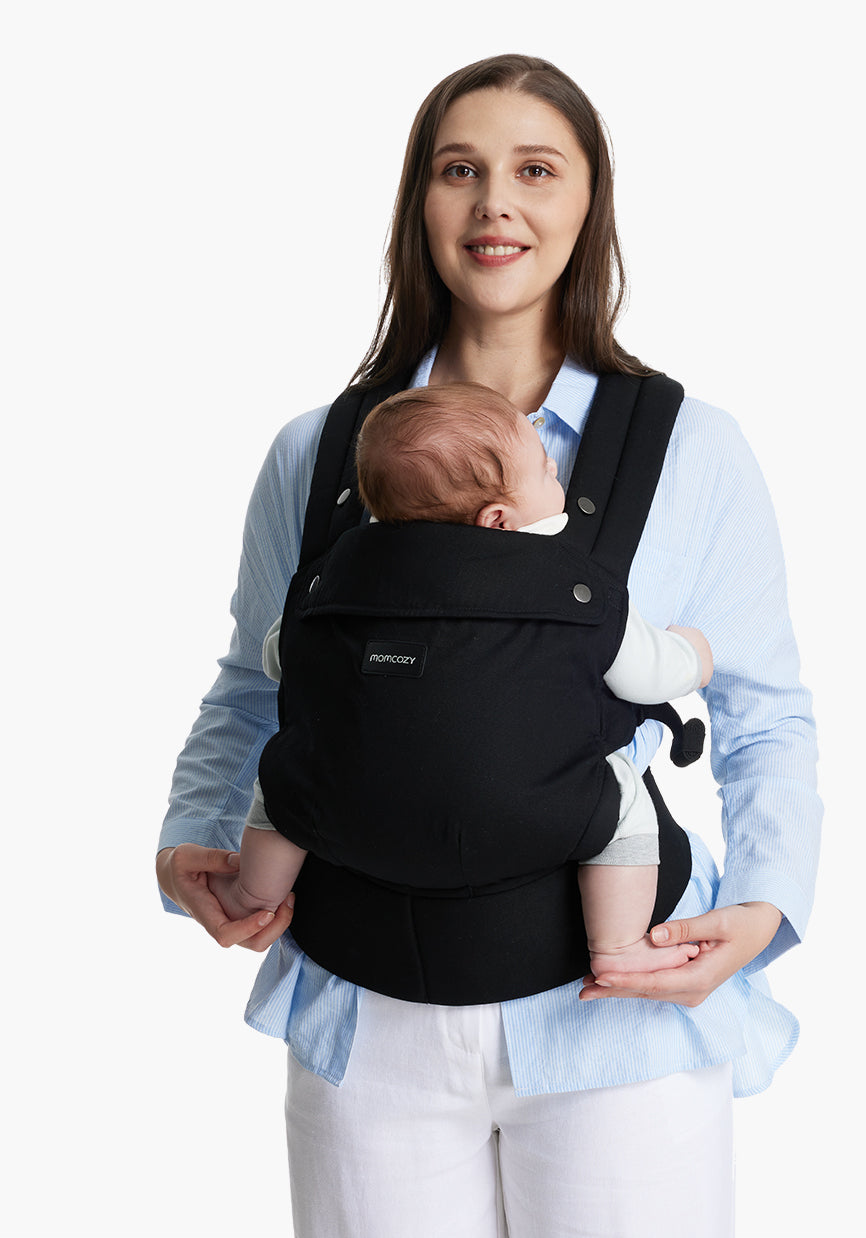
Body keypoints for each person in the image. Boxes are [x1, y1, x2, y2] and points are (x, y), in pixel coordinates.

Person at [157, 53, 820, 1238]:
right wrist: (193, 834)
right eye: (458, 169)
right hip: (367, 1015)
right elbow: (256, 686)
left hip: (620, 1020)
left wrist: (767, 904)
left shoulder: (693, 448)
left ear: (588, 200)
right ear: (419, 200)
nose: (494, 203)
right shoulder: (319, 449)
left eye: (534, 170)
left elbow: (764, 713)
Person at [207, 380, 713, 979]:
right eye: (546, 468)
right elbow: (651, 675)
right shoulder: (572, 590)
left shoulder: (337, 577)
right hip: (527, 815)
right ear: (497, 520)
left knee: (286, 783)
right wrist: (693, 653)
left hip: (351, 813)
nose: (558, 473)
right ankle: (619, 947)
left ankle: (254, 896)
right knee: (625, 801)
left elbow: (278, 658)